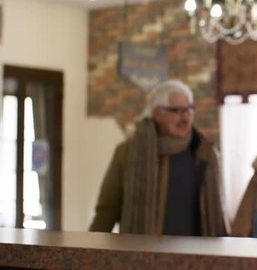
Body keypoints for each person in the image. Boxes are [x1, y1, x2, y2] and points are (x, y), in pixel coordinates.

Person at [89, 80, 227, 237]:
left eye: (189, 110)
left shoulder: (204, 154)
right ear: (157, 114)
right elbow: (107, 209)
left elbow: (218, 214)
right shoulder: (127, 152)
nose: (186, 118)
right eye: (177, 111)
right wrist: (91, 251)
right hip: (140, 256)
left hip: (194, 257)